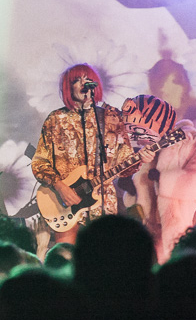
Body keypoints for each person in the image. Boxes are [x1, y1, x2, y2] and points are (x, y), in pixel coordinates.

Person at [31, 63, 135, 250]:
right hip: (66, 201)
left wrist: (142, 158)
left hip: (102, 202)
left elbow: (125, 163)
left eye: (88, 79)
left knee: (103, 256)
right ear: (68, 87)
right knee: (65, 256)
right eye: (77, 80)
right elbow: (39, 163)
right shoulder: (56, 120)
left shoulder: (111, 118)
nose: (83, 84)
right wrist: (60, 186)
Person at [117, 94, 196, 263]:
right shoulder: (147, 147)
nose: (136, 137)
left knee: (172, 261)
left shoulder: (192, 139)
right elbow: (141, 181)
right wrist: (133, 188)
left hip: (178, 219)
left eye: (139, 130)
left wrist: (163, 180)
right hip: (146, 222)